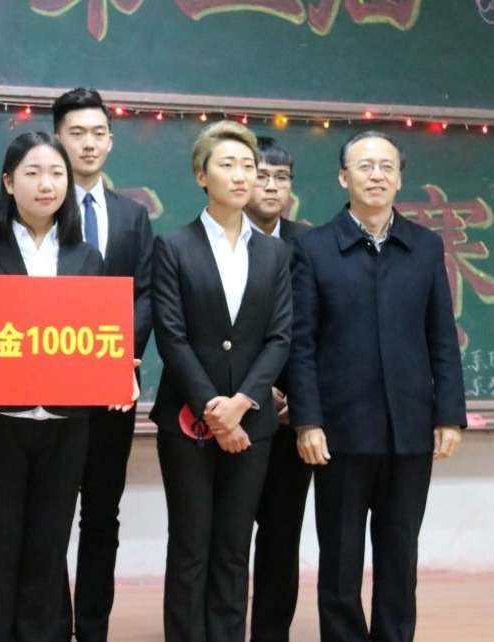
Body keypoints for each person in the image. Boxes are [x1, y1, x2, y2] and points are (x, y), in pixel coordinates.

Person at [286, 130, 465, 642]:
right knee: (340, 561)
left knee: (399, 557)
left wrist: (448, 415)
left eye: (387, 166)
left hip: (409, 432)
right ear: (344, 178)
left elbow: (441, 337)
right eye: (364, 166)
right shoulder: (314, 249)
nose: (377, 175)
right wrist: (307, 420)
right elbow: (302, 344)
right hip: (340, 433)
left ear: (400, 178)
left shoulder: (425, 246)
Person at [0, 131, 123, 642]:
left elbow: (99, 336)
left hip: (66, 427)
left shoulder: (86, 258)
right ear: (8, 182)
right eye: (32, 173)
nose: (46, 184)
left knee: (49, 551)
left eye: (56, 174)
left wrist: (116, 372)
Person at [150, 120, 292, 642]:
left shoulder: (274, 252)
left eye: (248, 167)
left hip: (252, 426)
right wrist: (213, 407)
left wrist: (242, 405)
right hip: (186, 422)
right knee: (191, 545)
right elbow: (171, 336)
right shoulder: (173, 246)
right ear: (201, 175)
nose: (241, 176)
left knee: (234, 549)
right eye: (227, 165)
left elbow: (279, 337)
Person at [52, 87, 153, 642]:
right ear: (57, 139)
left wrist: (114, 357)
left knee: (100, 516)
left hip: (112, 391)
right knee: (48, 513)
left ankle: (91, 627)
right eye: (76, 133)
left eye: (97, 134)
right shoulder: (39, 208)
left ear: (110, 142)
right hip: (46, 391)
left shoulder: (132, 215)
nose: (88, 144)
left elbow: (146, 293)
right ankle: (49, 623)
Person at [247, 137, 310, 642]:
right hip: (230, 410)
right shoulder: (211, 239)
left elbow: (316, 329)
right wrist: (255, 390)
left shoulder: (309, 243)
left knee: (281, 534)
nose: (271, 187)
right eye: (261, 175)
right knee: (223, 536)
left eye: (281, 178)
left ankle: (271, 633)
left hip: (292, 418)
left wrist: (296, 397)